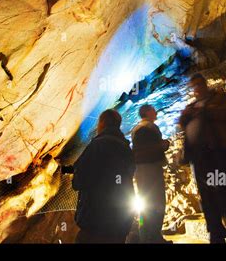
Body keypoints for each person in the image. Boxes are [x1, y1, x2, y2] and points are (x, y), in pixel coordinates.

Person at [179, 73, 226, 244]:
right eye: (193, 86)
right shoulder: (193, 105)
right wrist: (185, 117)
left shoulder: (220, 98)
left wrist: (205, 111)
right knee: (208, 197)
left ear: (204, 84)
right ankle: (216, 233)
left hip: (219, 153)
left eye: (198, 84)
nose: (196, 88)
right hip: (200, 158)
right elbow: (184, 125)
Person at [72, 109, 136, 243]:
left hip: (96, 220)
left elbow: (79, 181)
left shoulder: (97, 145)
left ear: (102, 123)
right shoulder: (126, 148)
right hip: (120, 221)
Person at [131, 104, 170, 243]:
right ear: (147, 112)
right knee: (157, 202)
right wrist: (163, 145)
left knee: (146, 203)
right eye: (153, 110)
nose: (156, 111)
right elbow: (147, 149)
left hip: (141, 171)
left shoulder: (136, 128)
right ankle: (153, 237)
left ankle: (145, 235)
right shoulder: (148, 127)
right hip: (151, 169)